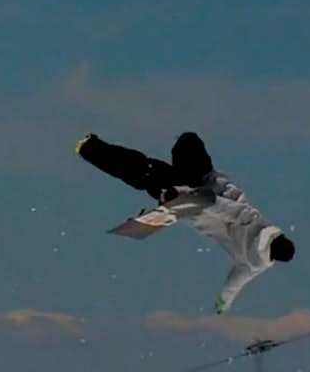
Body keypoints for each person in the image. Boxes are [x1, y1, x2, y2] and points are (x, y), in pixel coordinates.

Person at [76, 131, 295, 314]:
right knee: (151, 167)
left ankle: (90, 148)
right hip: (201, 194)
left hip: (204, 189)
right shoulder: (256, 264)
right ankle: (92, 148)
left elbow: (219, 206)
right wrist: (223, 301)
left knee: (167, 155)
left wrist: (180, 195)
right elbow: (236, 281)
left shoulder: (256, 222)